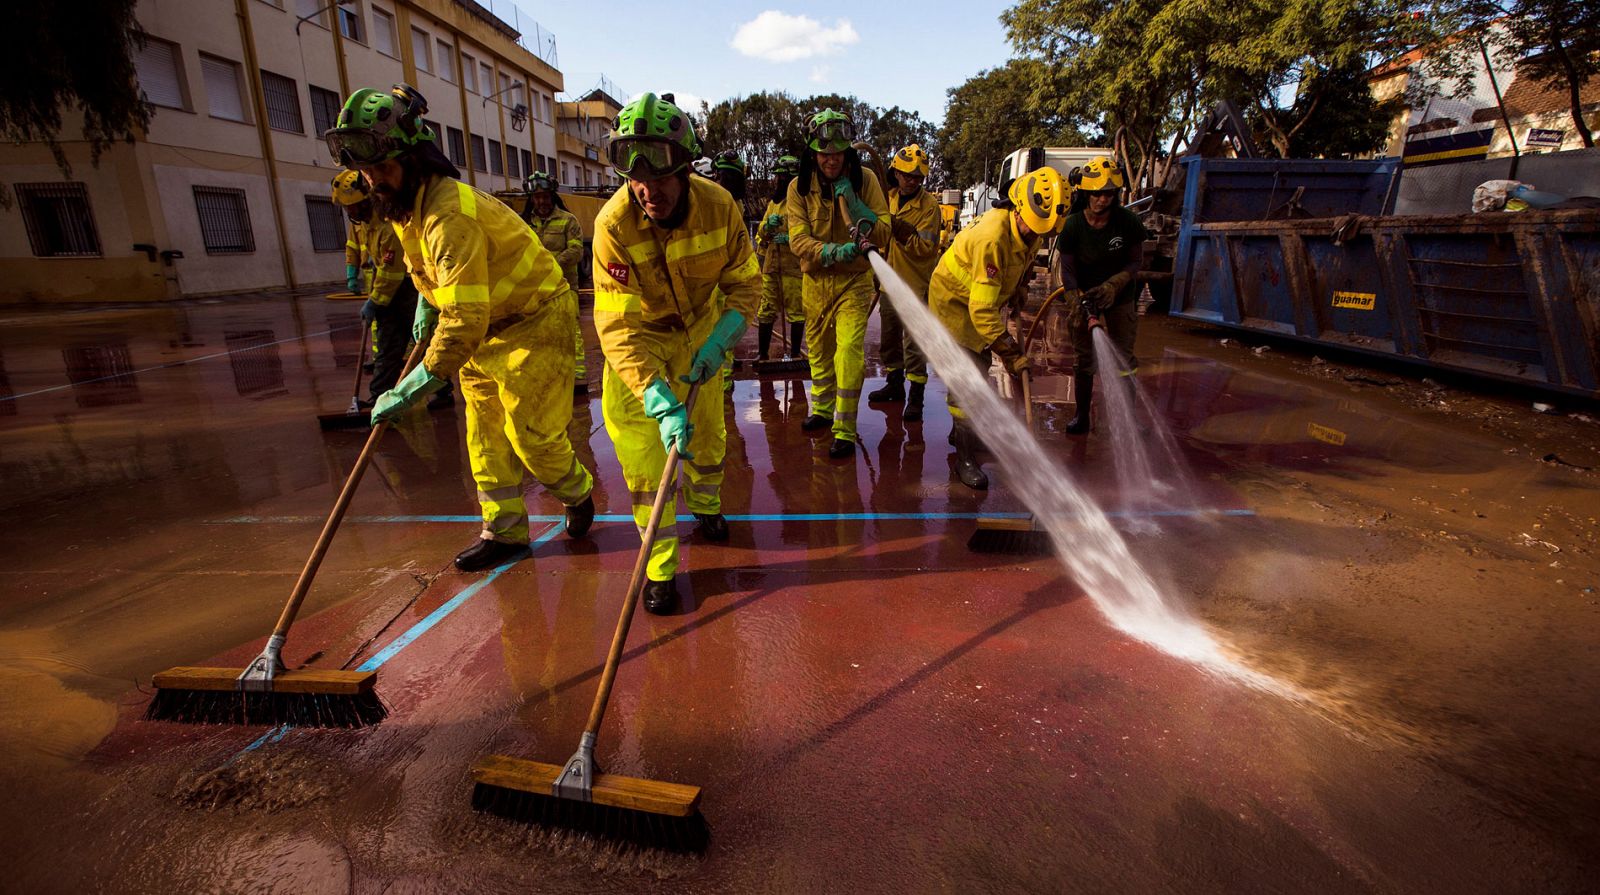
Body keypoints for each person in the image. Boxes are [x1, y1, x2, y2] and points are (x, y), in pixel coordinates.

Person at [324, 84, 596, 571]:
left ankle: (576, 493)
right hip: (485, 328)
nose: (374, 181)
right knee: (485, 437)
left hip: (532, 319)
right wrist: (429, 303)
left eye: (383, 168)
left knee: (531, 435)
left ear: (414, 159)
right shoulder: (408, 206)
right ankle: (506, 531)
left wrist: (415, 386)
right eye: (367, 171)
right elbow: (430, 268)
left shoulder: (448, 213)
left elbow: (465, 318)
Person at [591, 93, 760, 614]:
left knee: (708, 439)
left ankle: (707, 505)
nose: (647, 189)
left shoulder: (719, 206)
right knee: (645, 465)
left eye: (660, 174)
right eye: (634, 176)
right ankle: (660, 567)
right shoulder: (611, 227)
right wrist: (655, 395)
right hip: (639, 343)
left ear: (685, 166)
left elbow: (746, 288)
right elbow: (616, 322)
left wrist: (718, 340)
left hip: (703, 331)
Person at [927, 166, 1066, 489]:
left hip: (976, 302)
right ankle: (964, 456)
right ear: (1018, 208)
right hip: (954, 306)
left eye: (1041, 232)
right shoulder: (992, 239)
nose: (1036, 235)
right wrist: (1009, 352)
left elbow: (1020, 263)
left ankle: (962, 433)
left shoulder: (1029, 228)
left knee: (977, 370)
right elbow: (982, 311)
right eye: (1033, 228)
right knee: (970, 381)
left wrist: (1018, 289)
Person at [784, 109, 891, 460]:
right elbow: (799, 241)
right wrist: (833, 251)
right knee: (818, 351)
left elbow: (886, 232)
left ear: (848, 152)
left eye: (838, 153)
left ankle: (844, 428)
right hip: (815, 280)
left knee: (847, 352)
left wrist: (858, 206)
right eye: (824, 153)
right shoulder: (798, 188)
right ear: (813, 153)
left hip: (854, 282)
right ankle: (823, 410)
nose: (831, 160)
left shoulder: (867, 181)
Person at [1055, 156, 1148, 434]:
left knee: (1124, 358)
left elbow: (1135, 262)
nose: (1101, 200)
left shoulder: (1127, 222)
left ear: (1115, 195)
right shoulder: (1072, 226)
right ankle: (1082, 416)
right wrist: (1075, 298)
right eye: (1095, 193)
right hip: (1084, 296)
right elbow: (1068, 269)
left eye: (1108, 194)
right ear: (1085, 193)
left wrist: (1114, 285)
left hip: (1119, 297)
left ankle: (1129, 419)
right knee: (1084, 359)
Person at [866, 143, 940, 423]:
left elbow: (925, 249)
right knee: (889, 343)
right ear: (895, 173)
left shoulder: (930, 207)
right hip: (888, 284)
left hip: (914, 286)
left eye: (917, 177)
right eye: (907, 175)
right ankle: (895, 386)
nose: (912, 181)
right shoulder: (887, 198)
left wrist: (899, 228)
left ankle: (916, 398)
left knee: (914, 344)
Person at [333, 169, 419, 405]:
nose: (349, 211)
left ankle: (440, 391)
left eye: (351, 206)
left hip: (406, 289)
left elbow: (391, 272)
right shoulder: (365, 223)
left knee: (423, 342)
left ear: (365, 201)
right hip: (388, 292)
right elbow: (357, 250)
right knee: (388, 350)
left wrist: (375, 301)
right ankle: (378, 399)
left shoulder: (387, 226)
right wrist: (353, 273)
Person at [521, 171, 588, 394]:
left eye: (545, 196)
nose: (541, 201)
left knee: (571, 332)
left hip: (565, 287)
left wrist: (550, 266)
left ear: (552, 196)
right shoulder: (523, 224)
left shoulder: (568, 220)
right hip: (535, 291)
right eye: (537, 197)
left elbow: (577, 251)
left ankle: (578, 377)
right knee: (539, 335)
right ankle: (547, 376)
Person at [754, 154, 805, 360]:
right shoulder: (773, 204)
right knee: (766, 310)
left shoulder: (801, 201)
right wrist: (767, 227)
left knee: (796, 312)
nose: (777, 180)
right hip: (772, 266)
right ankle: (762, 354)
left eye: (781, 177)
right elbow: (761, 233)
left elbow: (810, 233)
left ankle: (794, 354)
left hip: (793, 267)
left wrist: (791, 239)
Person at [710, 149, 752, 395]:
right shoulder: (724, 202)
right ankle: (721, 382)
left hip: (722, 281)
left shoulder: (729, 206)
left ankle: (723, 383)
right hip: (711, 282)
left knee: (721, 334)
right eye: (719, 176)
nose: (720, 181)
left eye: (726, 177)